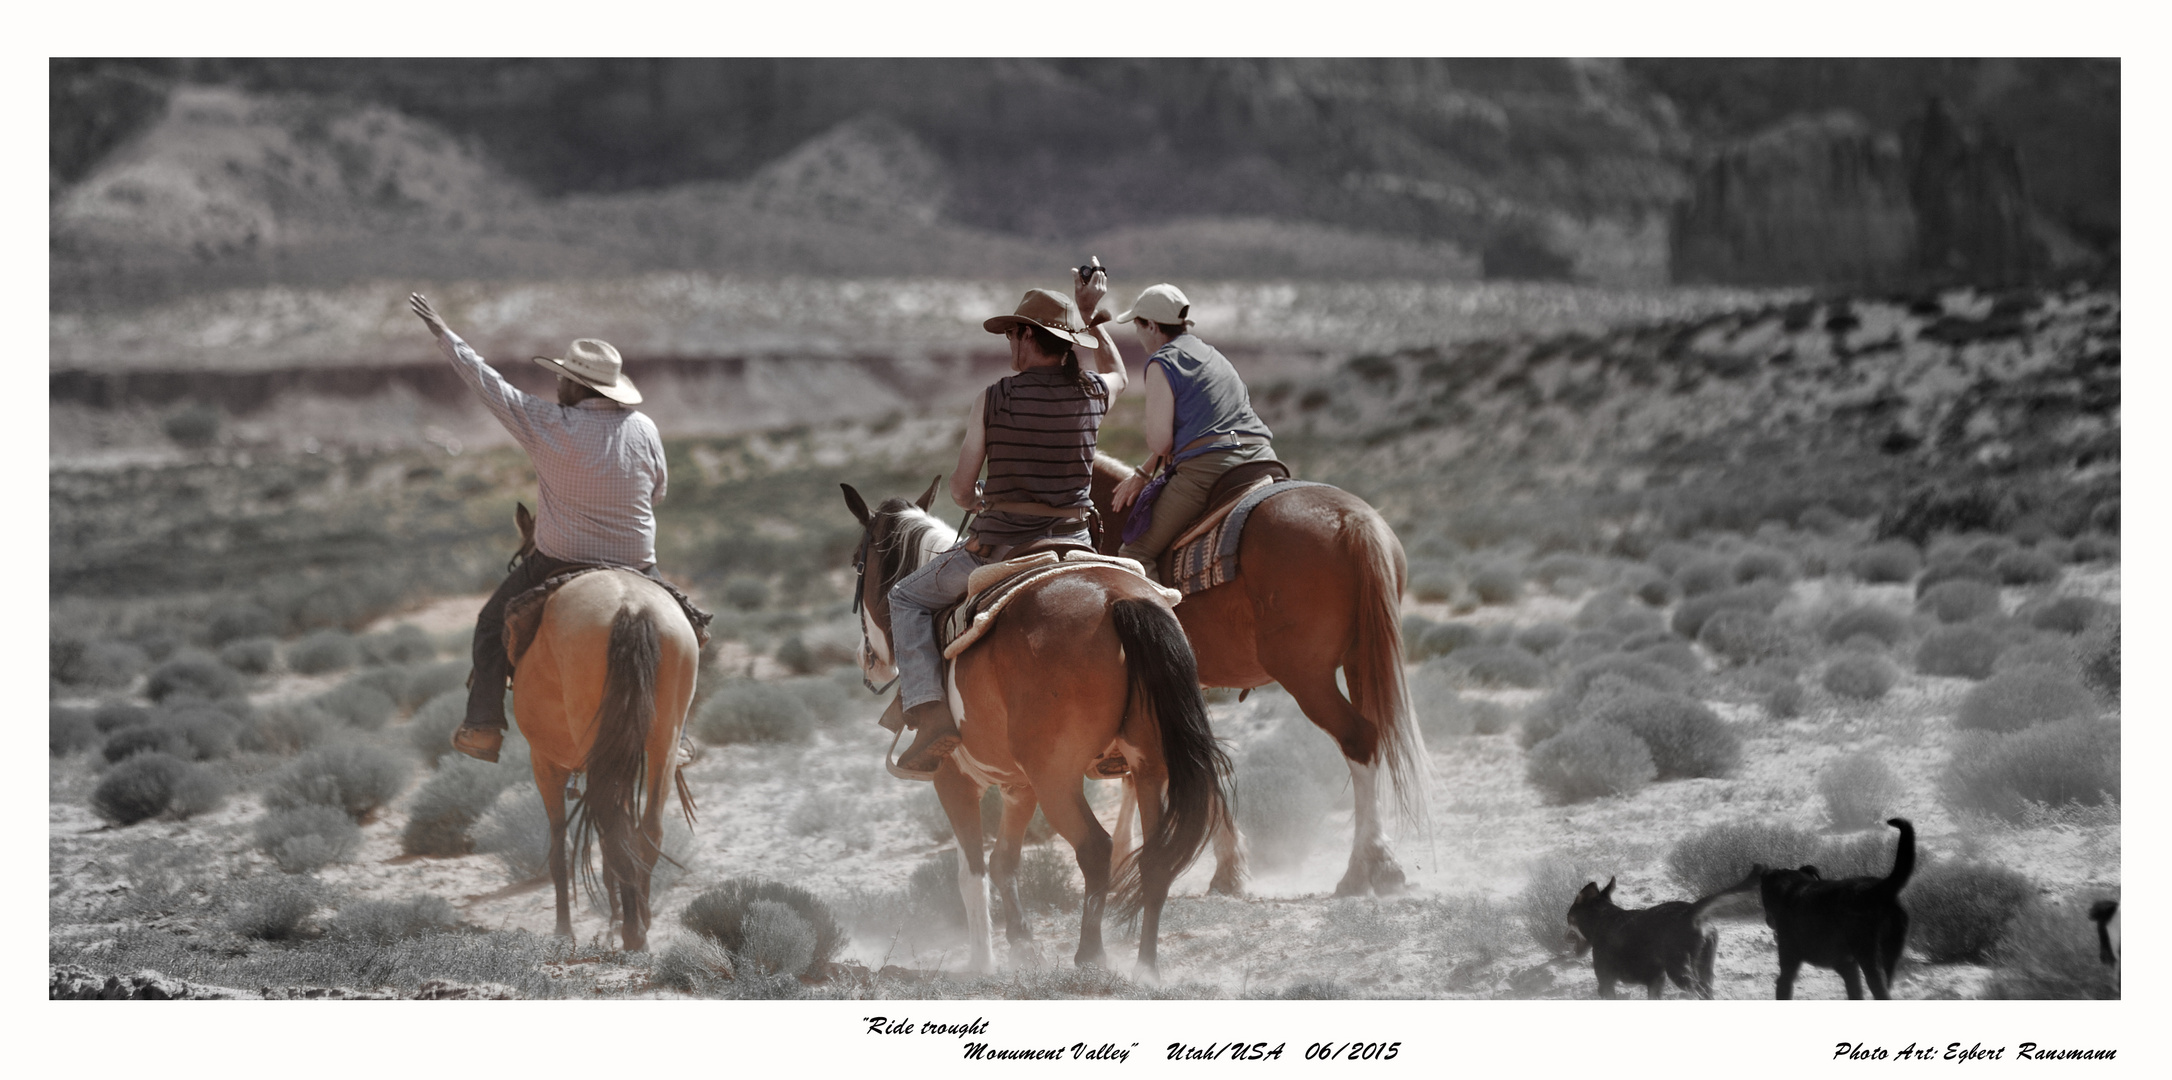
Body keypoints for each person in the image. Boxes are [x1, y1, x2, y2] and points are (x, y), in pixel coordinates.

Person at [408, 292, 673, 763]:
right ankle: (681, 735)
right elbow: (657, 494)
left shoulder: (546, 422)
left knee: (491, 624)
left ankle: (483, 724)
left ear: (576, 387)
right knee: (685, 627)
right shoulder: (646, 428)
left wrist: (444, 335)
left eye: (563, 378)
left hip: (560, 558)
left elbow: (486, 382)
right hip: (637, 562)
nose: (557, 384)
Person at [888, 269, 1129, 774]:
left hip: (1001, 549)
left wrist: (977, 500)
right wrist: (1092, 318)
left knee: (905, 598)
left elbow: (958, 488)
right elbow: (1120, 373)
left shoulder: (994, 397)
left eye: (1012, 333)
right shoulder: (1092, 391)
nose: (1008, 343)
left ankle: (931, 717)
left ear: (1025, 337)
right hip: (1076, 545)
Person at [1108, 283, 1277, 570]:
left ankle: (1163, 616)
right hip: (1263, 457)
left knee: (1134, 555)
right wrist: (1143, 471)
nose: (1138, 336)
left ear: (1150, 325)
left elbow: (1161, 443)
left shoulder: (1162, 363)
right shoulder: (1212, 355)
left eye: (1138, 326)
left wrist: (1145, 470)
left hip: (1211, 468)